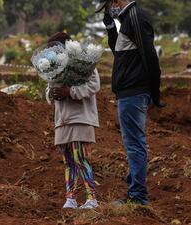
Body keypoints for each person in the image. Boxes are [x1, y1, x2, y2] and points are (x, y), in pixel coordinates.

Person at [95, 0, 163, 205]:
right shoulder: (127, 20)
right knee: (133, 143)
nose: (109, 12)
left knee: (135, 144)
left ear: (115, 2)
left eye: (108, 7)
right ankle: (135, 191)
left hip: (134, 92)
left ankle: (138, 197)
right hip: (128, 92)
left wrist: (155, 91)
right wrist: (110, 28)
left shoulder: (135, 16)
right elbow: (121, 53)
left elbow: (150, 55)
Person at [46, 32, 101, 209]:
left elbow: (94, 85)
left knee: (81, 158)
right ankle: (70, 198)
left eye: (56, 47)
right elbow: (49, 90)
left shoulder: (83, 63)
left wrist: (70, 92)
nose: (53, 52)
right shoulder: (53, 66)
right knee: (68, 161)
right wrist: (52, 93)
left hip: (81, 118)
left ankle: (92, 199)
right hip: (62, 120)